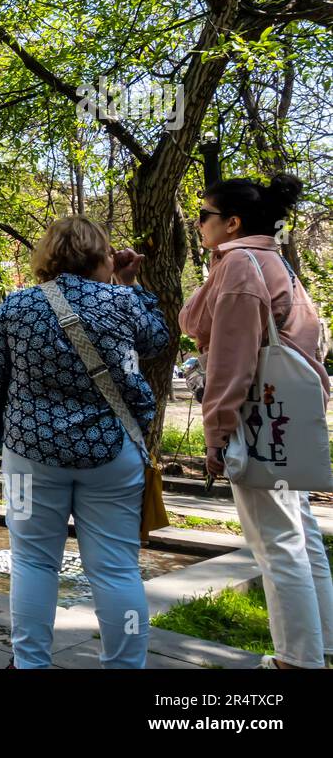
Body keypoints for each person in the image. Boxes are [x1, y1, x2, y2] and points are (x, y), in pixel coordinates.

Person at [0, 216, 169, 668]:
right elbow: (157, 339)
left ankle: (31, 663)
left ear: (48, 256)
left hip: (29, 456)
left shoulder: (16, 306)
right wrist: (128, 281)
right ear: (101, 255)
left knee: (33, 564)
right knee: (116, 569)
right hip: (112, 452)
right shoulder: (121, 300)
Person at [179, 173, 333, 669]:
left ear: (233, 222)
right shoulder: (274, 263)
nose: (197, 223)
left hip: (255, 421)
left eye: (204, 215)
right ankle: (321, 647)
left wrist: (217, 433)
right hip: (283, 419)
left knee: (276, 544)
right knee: (301, 537)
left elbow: (231, 360)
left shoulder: (240, 267)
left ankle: (296, 661)